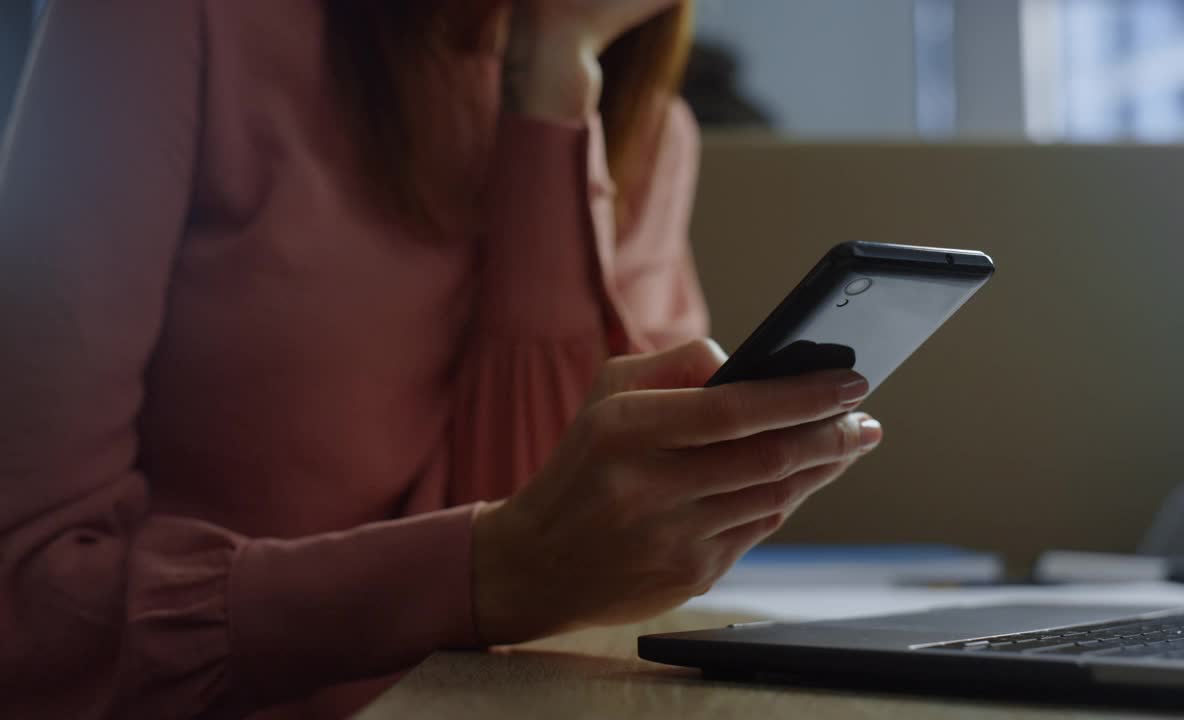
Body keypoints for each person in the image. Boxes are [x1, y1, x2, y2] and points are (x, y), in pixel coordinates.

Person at [0, 1, 883, 718]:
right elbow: (28, 605)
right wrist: (493, 570)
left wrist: (552, 78)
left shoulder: (644, 126)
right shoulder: (160, 25)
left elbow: (541, 595)